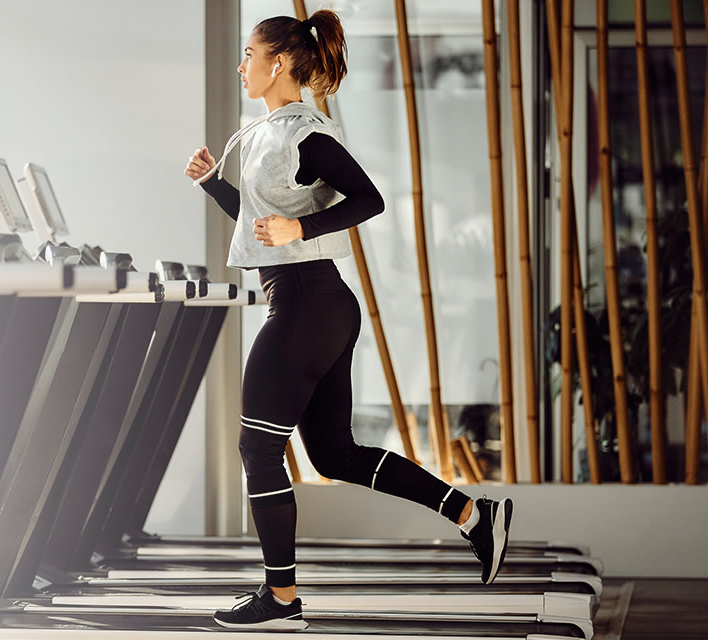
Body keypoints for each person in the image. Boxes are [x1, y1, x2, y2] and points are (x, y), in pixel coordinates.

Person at [181, 9, 514, 631]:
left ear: (278, 61)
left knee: (259, 447)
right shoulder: (262, 133)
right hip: (313, 303)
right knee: (333, 454)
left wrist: (301, 226)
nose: (241, 65)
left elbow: (370, 197)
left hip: (309, 303)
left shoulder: (306, 134)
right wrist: (212, 184)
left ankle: (280, 599)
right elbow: (261, 227)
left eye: (248, 53)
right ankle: (472, 515)